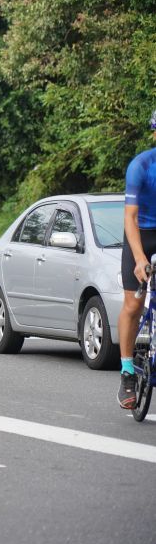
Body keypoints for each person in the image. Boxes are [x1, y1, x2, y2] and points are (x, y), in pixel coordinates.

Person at [117, 110, 156, 408]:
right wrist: (140, 258)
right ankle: (128, 370)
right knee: (132, 302)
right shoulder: (140, 166)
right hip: (140, 232)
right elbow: (129, 219)